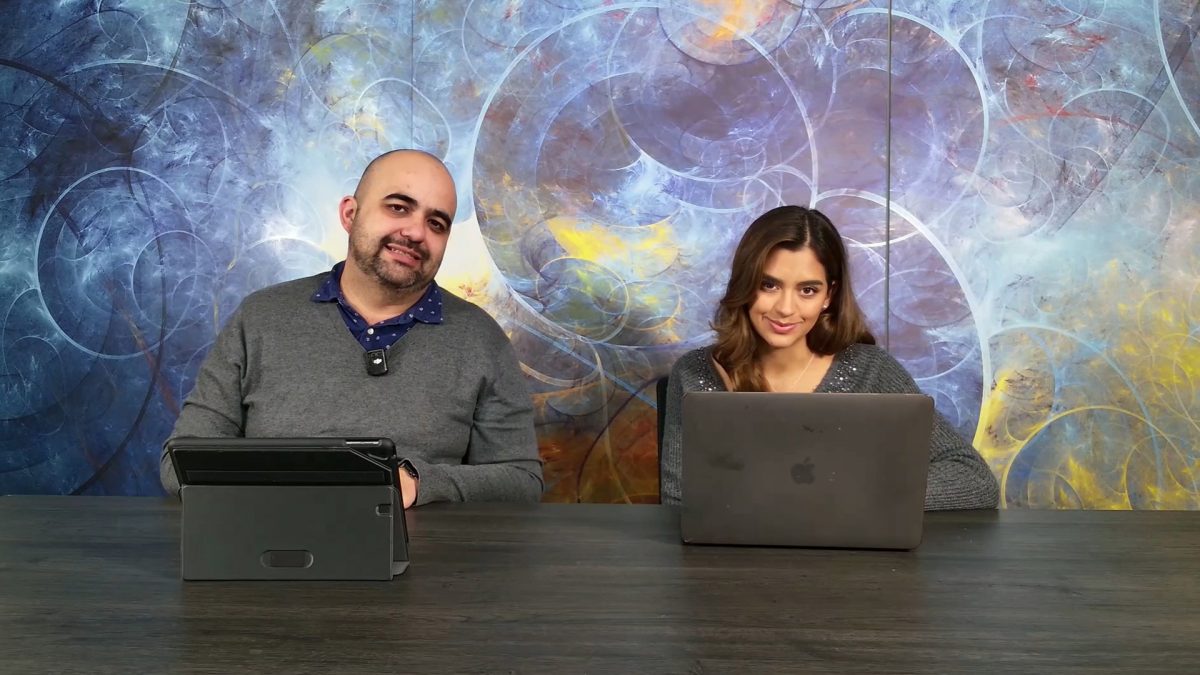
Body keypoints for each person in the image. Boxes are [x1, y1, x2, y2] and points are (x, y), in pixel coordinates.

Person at [161, 149, 544, 507]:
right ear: (350, 214)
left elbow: (522, 481)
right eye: (398, 207)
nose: (415, 232)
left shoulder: (481, 339)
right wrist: (293, 489)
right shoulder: (260, 317)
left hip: (423, 553)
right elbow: (180, 463)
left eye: (436, 223)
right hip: (270, 547)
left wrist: (419, 483)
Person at [660, 205, 999, 510]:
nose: (786, 308)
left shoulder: (872, 371)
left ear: (828, 296)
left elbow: (974, 479)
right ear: (745, 284)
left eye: (807, 290)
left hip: (849, 557)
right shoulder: (694, 373)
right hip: (729, 557)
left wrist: (853, 494)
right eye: (769, 285)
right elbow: (677, 502)